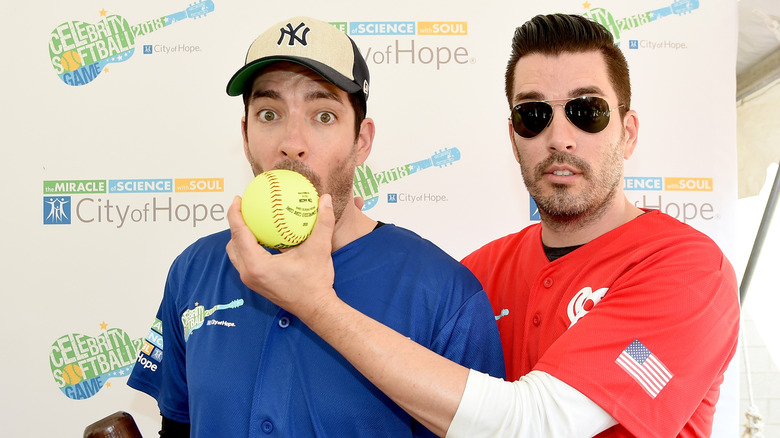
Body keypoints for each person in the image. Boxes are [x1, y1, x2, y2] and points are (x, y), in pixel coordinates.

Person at [225, 13, 741, 438]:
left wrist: (314, 304)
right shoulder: (475, 275)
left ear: (627, 133)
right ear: (513, 136)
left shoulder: (687, 269)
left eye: (586, 111)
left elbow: (538, 424)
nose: (560, 136)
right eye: (534, 115)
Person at [127, 16, 505, 438]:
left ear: (361, 141)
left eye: (323, 116)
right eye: (269, 113)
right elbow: (178, 426)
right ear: (246, 135)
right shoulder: (195, 270)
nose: (292, 141)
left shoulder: (444, 293)